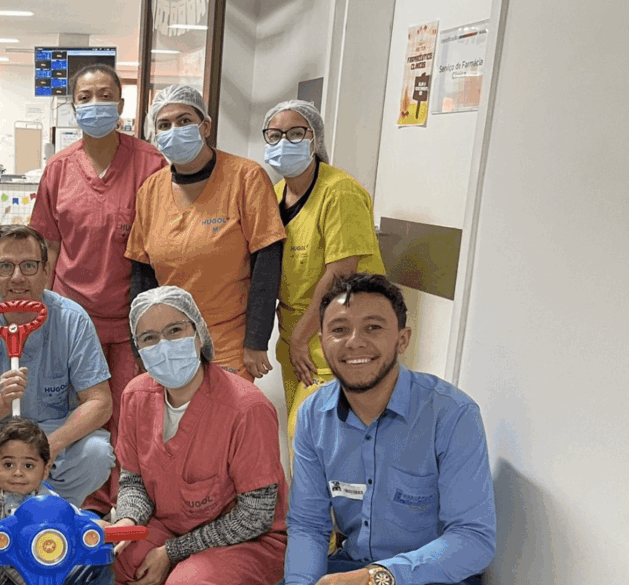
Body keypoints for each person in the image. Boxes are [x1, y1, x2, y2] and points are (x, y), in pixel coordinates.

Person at [284, 273, 496, 585]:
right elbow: (308, 525)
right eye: (339, 330)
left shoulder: (452, 415)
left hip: (431, 577)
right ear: (322, 342)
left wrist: (378, 577)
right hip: (348, 567)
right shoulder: (313, 416)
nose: (355, 340)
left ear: (402, 339)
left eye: (373, 327)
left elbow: (474, 539)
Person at [28, 64, 168, 516]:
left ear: (122, 105)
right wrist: (39, 311)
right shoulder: (59, 169)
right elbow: (47, 244)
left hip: (130, 320)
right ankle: (77, 503)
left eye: (104, 95)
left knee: (130, 416)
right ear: (73, 107)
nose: (94, 105)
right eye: (84, 98)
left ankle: (122, 505)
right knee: (77, 415)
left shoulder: (150, 164)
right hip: (71, 317)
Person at [110, 286, 287, 585]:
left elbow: (255, 516)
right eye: (149, 338)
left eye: (175, 330)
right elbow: (133, 481)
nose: (164, 345)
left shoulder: (246, 408)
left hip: (248, 541)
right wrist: (128, 520)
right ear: (138, 351)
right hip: (171, 526)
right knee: (118, 559)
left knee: (187, 582)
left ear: (199, 333)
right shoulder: (135, 396)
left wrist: (171, 553)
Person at [0, 224, 116, 507]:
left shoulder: (72, 320)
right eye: (6, 266)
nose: (17, 277)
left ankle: (59, 513)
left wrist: (50, 447)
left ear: (47, 271)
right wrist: (2, 401)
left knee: (96, 453)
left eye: (29, 265)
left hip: (53, 432)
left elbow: (99, 402)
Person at [126, 84, 286, 379]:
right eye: (164, 125)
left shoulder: (245, 178)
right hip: (168, 338)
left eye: (184, 121)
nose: (174, 129)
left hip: (228, 339)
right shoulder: (150, 190)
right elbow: (142, 273)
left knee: (225, 420)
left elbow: (267, 262)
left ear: (205, 126)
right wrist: (142, 345)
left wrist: (256, 342)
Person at [262, 100, 386, 443]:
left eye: (295, 133)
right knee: (301, 445)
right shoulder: (275, 196)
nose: (283, 142)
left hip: (340, 340)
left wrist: (302, 337)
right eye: (274, 135)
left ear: (314, 140)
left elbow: (340, 275)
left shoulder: (339, 193)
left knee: (313, 438)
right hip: (295, 342)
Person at [0, 417, 113, 585]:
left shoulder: (53, 503)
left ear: (45, 470)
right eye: (8, 465)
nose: (18, 473)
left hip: (47, 578)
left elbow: (77, 520)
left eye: (28, 466)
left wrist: (98, 526)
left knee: (101, 564)